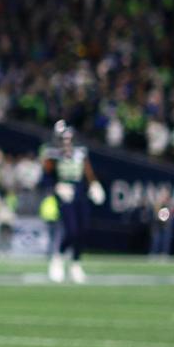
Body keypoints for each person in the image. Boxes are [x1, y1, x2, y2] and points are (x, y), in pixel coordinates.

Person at [42, 120, 103, 284]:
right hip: (64, 194)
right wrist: (57, 187)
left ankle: (76, 263)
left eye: (69, 138)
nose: (67, 142)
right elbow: (46, 177)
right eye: (64, 139)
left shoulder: (80, 152)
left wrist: (94, 184)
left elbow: (87, 171)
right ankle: (58, 257)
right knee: (72, 230)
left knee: (83, 230)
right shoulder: (52, 154)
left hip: (80, 192)